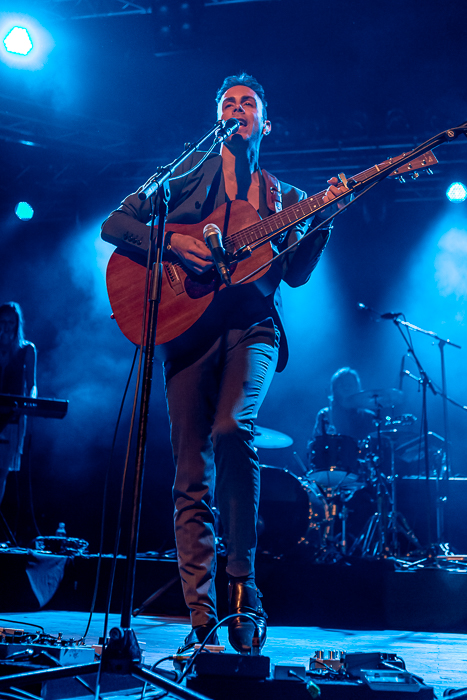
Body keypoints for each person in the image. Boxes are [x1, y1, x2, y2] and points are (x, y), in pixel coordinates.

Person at [101, 73, 348, 654]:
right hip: (186, 331)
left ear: (265, 123)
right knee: (191, 474)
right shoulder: (186, 177)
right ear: (218, 120)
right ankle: (201, 617)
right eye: (228, 103)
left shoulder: (284, 198)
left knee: (233, 428)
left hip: (253, 327)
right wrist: (171, 244)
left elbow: (295, 274)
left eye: (248, 103)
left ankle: (243, 585)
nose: (238, 109)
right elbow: (116, 225)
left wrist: (325, 217)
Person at [0, 302, 37, 506]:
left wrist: (31, 401)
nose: (6, 327)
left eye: (10, 323)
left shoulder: (26, 349)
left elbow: (32, 385)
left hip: (12, 416)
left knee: (1, 472)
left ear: (17, 324)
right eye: (2, 322)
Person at [311, 367, 375, 443]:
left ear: (357, 388)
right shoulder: (325, 415)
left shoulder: (369, 416)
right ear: (335, 389)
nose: (346, 388)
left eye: (350, 385)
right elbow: (314, 443)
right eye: (342, 385)